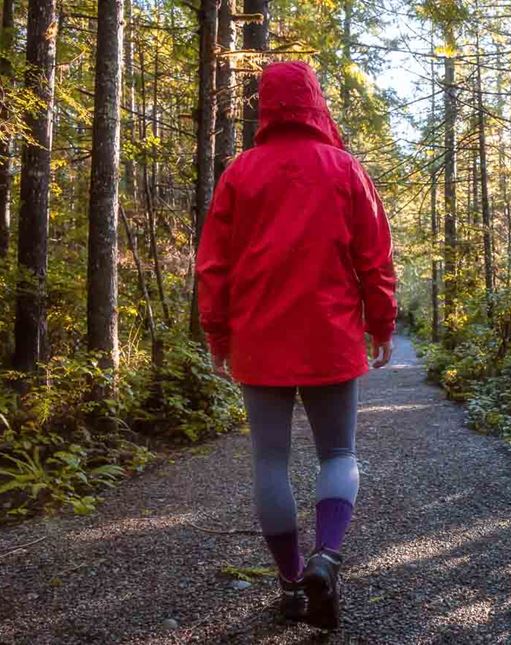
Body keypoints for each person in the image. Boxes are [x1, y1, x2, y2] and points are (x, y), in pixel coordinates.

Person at [195, 60, 397, 629]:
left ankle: (289, 583)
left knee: (269, 461)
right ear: (315, 101)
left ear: (266, 105)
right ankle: (327, 558)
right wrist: (381, 324)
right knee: (339, 454)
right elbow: (375, 259)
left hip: (259, 341)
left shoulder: (240, 172)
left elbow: (214, 265)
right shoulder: (345, 169)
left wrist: (218, 333)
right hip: (330, 337)